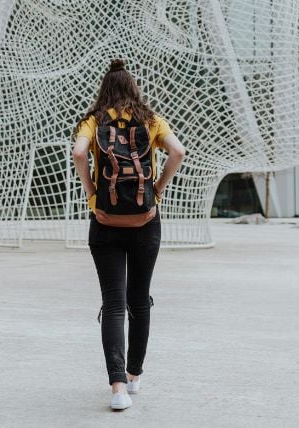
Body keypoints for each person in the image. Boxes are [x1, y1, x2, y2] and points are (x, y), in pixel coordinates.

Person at [72, 59, 186, 410]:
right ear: (134, 89)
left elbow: (78, 153)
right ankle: (135, 376)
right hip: (144, 222)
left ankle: (117, 387)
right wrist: (158, 189)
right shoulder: (151, 120)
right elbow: (178, 151)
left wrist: (92, 192)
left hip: (104, 222)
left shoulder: (92, 121)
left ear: (104, 90)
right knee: (139, 299)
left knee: (114, 303)